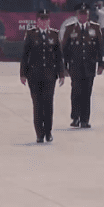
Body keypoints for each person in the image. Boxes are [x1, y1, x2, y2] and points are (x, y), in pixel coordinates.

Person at [20, 9, 65, 143]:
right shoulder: (31, 34)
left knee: (48, 104)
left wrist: (61, 74)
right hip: (34, 75)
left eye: (46, 19)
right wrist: (23, 74)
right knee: (37, 104)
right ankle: (39, 133)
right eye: (41, 19)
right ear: (37, 21)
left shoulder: (54, 35)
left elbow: (59, 57)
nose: (44, 22)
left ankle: (48, 131)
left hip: (49, 75)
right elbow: (25, 56)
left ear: (49, 21)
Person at [61, 3, 104, 129]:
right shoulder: (70, 29)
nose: (83, 16)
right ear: (76, 15)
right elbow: (65, 49)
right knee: (76, 92)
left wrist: (101, 64)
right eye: (81, 14)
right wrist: (64, 67)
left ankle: (85, 119)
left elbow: (100, 48)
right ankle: (75, 117)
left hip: (90, 66)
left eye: (85, 14)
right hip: (75, 66)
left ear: (88, 15)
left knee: (87, 92)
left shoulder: (95, 28)